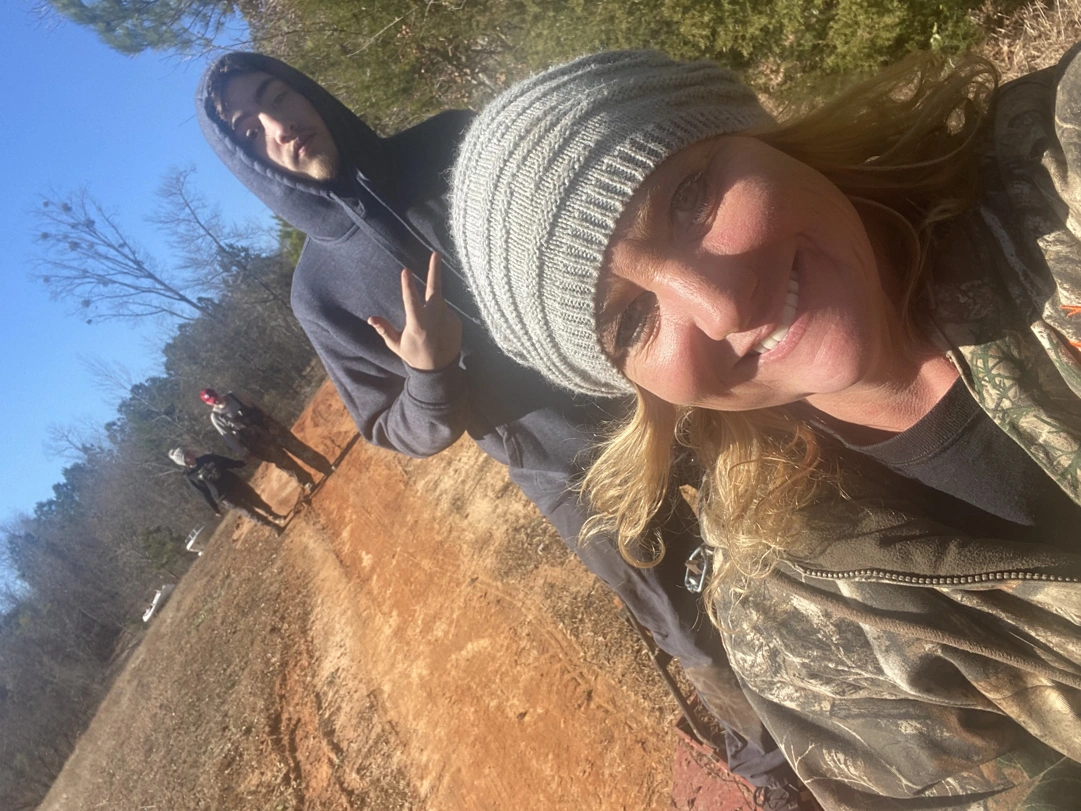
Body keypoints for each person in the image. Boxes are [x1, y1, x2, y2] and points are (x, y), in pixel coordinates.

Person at [451, 48, 1081, 809]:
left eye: (687, 197)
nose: (723, 306)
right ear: (639, 389)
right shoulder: (796, 617)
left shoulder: (1052, 177)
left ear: (759, 137)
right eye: (633, 320)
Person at [194, 52, 811, 808]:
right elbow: (393, 428)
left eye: (275, 96)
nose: (277, 125)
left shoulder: (456, 145)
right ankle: (773, 769)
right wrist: (430, 369)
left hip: (664, 383)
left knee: (794, 515)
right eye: (249, 132)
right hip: (566, 466)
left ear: (307, 93)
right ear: (251, 166)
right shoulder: (319, 292)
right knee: (684, 619)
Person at [200, 387, 333, 492]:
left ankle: (325, 467)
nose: (216, 401)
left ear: (216, 392)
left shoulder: (235, 395)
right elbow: (228, 436)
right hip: (258, 442)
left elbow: (254, 405)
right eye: (212, 401)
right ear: (208, 404)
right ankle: (306, 482)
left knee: (298, 448)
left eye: (215, 397)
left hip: (270, 427)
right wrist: (243, 453)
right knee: (283, 462)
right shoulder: (216, 417)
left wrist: (271, 420)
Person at [169, 447, 288, 531]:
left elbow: (225, 462)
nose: (190, 455)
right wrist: (215, 509)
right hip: (224, 496)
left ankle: (275, 516)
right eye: (186, 456)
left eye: (188, 453)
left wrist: (241, 463)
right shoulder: (191, 477)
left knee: (256, 500)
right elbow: (203, 493)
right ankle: (273, 527)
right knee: (248, 512)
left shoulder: (207, 458)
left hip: (235, 483)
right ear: (183, 462)